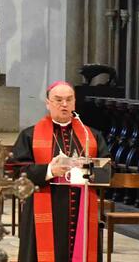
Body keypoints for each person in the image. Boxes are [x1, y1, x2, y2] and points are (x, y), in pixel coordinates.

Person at [11, 80, 107, 261]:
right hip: (43, 204)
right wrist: (50, 170)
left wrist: (87, 169)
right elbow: (18, 172)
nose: (64, 104)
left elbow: (109, 169)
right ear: (47, 103)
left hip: (81, 207)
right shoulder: (29, 135)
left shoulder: (91, 135)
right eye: (58, 100)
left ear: (74, 103)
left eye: (69, 100)